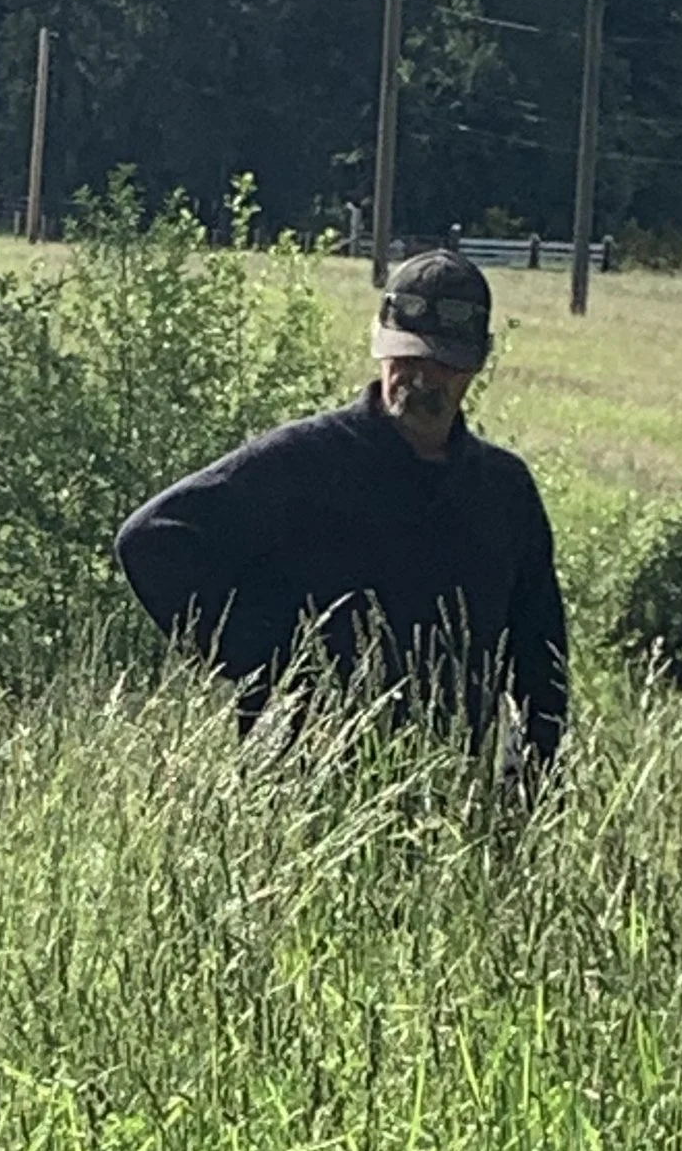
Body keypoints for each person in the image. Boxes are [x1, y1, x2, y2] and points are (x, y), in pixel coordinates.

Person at [114, 247, 568, 772]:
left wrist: (530, 782)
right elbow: (152, 540)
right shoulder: (304, 460)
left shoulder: (503, 492)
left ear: (478, 362)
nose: (422, 378)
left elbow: (542, 662)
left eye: (444, 363)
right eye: (407, 358)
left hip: (450, 789)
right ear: (378, 343)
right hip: (299, 782)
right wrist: (269, 664)